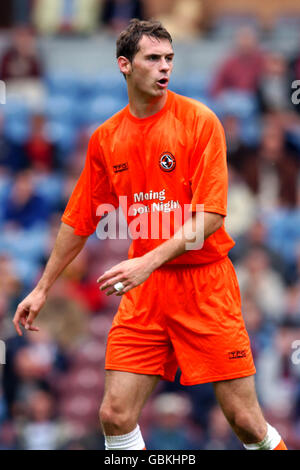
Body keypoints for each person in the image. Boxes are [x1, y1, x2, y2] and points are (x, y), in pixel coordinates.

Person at [12, 19, 287, 451]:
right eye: (153, 58)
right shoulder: (105, 138)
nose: (164, 68)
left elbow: (211, 216)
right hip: (148, 293)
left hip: (204, 286)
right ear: (125, 65)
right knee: (114, 415)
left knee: (246, 421)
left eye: (169, 59)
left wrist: (148, 259)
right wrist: (42, 287)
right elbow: (79, 218)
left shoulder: (199, 121)